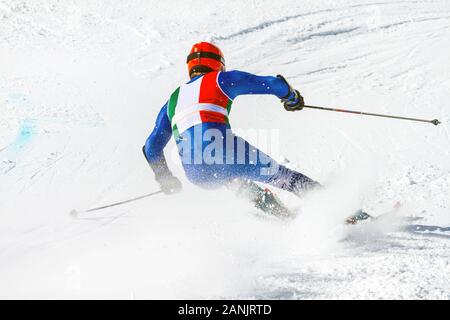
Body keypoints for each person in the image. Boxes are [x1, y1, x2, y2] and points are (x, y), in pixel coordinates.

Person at [143, 42, 364, 220]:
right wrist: (292, 98)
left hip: (196, 173)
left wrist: (165, 178)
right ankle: (345, 212)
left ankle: (285, 218)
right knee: (284, 178)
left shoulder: (172, 100)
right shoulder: (221, 79)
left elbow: (151, 147)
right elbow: (274, 84)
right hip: (223, 151)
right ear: (219, 64)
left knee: (234, 180)